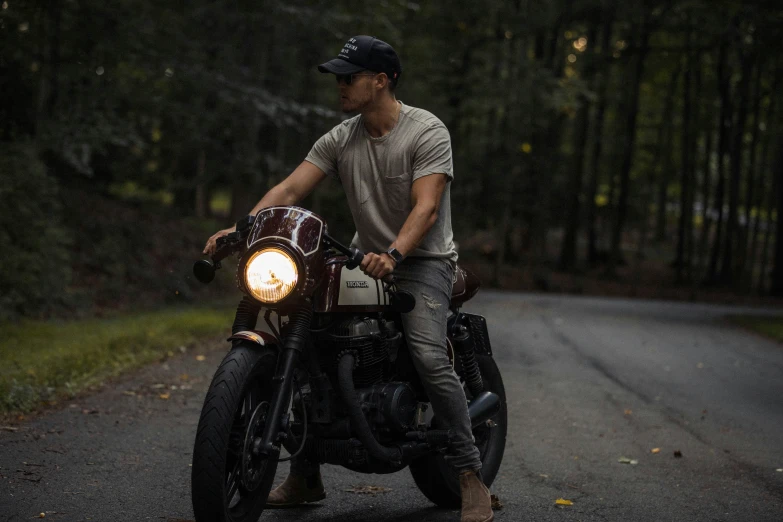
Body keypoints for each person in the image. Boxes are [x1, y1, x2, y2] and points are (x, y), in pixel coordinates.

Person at [203, 35, 493, 522]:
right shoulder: (341, 137)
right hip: (365, 257)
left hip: (422, 261)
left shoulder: (427, 132)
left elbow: (427, 207)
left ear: (381, 81)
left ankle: (469, 474)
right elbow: (291, 188)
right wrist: (242, 227)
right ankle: (305, 473)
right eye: (338, 77)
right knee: (309, 332)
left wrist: (396, 253)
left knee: (425, 352)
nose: (340, 85)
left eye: (348, 76)